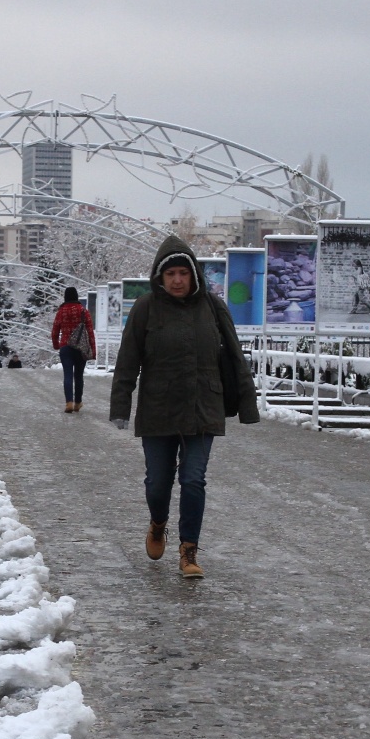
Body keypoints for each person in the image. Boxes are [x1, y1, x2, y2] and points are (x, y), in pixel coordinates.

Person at [110, 237, 260, 579]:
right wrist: (121, 405)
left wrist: (247, 405)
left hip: (203, 406)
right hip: (158, 408)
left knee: (193, 480)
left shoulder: (212, 306)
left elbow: (235, 356)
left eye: (183, 273)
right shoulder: (146, 308)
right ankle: (158, 522)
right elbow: (127, 360)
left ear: (193, 275)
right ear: (159, 277)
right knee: (157, 484)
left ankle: (188, 550)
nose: (177, 280)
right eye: (171, 274)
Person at [51, 286, 96, 413]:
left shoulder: (61, 311)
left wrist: (56, 344)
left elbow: (55, 331)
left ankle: (69, 403)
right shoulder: (83, 311)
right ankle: (78, 403)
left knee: (68, 375)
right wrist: (92, 350)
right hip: (81, 347)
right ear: (76, 296)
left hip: (65, 347)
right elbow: (90, 332)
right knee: (79, 376)